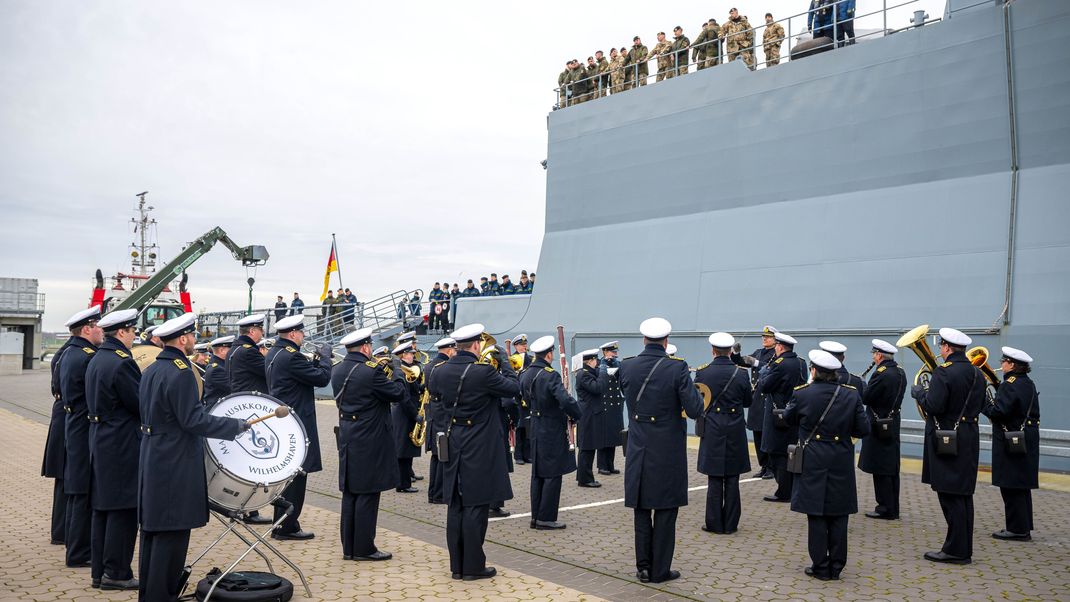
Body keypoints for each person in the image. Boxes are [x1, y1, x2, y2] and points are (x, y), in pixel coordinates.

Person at [136, 313, 252, 601]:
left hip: (153, 454)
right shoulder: (182, 371)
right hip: (175, 458)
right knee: (172, 534)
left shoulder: (152, 369)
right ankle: (162, 595)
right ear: (183, 338)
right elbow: (193, 421)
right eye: (192, 336)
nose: (194, 341)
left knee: (153, 531)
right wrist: (235, 426)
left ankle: (150, 593)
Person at [426, 323, 519, 580]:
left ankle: (457, 566)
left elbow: (436, 397)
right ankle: (474, 566)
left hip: (453, 441)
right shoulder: (483, 372)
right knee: (475, 505)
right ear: (477, 345)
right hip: (478, 445)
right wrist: (506, 363)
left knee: (455, 505)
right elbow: (513, 388)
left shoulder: (439, 371)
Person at [620, 317, 703, 583]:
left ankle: (643, 567)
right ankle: (660, 570)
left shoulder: (627, 366)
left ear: (644, 339)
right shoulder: (677, 368)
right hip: (666, 449)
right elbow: (695, 410)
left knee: (641, 509)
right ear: (666, 341)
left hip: (638, 447)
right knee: (666, 511)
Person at [784, 350, 869, 581]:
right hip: (840, 458)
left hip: (812, 458)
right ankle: (837, 566)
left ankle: (820, 565)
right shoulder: (851, 395)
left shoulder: (803, 394)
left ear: (813, 370)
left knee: (817, 513)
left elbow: (788, 419)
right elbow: (864, 429)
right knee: (839, 513)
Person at [911, 327, 987, 564]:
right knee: (963, 494)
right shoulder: (978, 374)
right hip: (968, 436)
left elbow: (933, 405)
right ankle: (962, 548)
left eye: (941, 347)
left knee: (949, 493)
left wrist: (920, 392)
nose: (940, 352)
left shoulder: (944, 373)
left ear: (946, 347)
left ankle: (954, 550)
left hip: (946, 437)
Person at [333, 328, 406, 561]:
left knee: (351, 491)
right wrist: (397, 371)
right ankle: (364, 548)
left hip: (347, 434)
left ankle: (349, 548)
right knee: (368, 492)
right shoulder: (371, 372)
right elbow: (398, 394)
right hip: (370, 437)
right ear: (365, 347)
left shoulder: (338, 369)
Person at [84, 309, 141, 590]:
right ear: (122, 332)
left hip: (101, 439)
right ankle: (117, 574)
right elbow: (139, 403)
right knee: (123, 510)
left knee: (102, 509)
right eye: (132, 332)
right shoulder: (123, 363)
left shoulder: (97, 358)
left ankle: (99, 572)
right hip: (121, 443)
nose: (134, 337)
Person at [266, 315, 332, 540]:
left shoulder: (275, 353)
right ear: (293, 334)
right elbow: (322, 379)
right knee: (297, 476)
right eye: (301, 333)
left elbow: (301, 378)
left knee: (287, 477)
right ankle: (287, 526)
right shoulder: (292, 357)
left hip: (284, 423)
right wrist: (324, 359)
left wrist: (312, 363)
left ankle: (282, 523)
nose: (303, 337)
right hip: (297, 423)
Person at [57, 306, 103, 567]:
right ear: (87, 329)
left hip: (74, 425)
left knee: (76, 491)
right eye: (97, 326)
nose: (101, 331)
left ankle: (76, 549)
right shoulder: (85, 356)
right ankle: (78, 553)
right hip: (83, 429)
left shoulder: (70, 352)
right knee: (82, 492)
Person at [521, 337, 584, 529]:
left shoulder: (525, 374)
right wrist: (577, 414)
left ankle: (535, 516)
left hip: (535, 427)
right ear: (548, 354)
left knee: (537, 473)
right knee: (552, 474)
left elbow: (522, 397)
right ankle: (546, 518)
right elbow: (565, 400)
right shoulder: (550, 375)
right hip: (551, 428)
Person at [695, 332, 753, 535]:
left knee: (714, 477)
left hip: (712, 426)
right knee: (732, 478)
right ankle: (731, 523)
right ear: (730, 351)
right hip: (735, 426)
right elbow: (748, 401)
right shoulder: (742, 373)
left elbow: (699, 401)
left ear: (713, 350)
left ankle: (713, 523)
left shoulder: (703, 373)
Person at [982, 346, 1040, 541]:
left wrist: (984, 402)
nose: (1001, 364)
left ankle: (1016, 529)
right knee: (1021, 484)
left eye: (1003, 361)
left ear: (1012, 364)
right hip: (1026, 436)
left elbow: (999, 412)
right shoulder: (1027, 383)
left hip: (1012, 439)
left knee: (1011, 484)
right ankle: (1023, 527)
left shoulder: (1010, 384)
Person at [43, 310, 89, 547]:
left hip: (63, 417)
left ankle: (60, 531)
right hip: (68, 420)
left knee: (63, 481)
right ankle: (62, 532)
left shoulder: (65, 352)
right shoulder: (75, 354)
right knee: (65, 480)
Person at [224, 314, 272, 525]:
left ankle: (241, 508)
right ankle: (249, 511)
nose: (261, 333)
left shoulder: (234, 349)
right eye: (260, 330)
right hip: (251, 411)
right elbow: (268, 372)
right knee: (252, 461)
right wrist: (268, 357)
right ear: (252, 331)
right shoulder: (249, 352)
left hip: (239, 406)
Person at [756, 331, 807, 502]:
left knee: (778, 453)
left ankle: (783, 491)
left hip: (777, 414)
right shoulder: (801, 363)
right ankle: (792, 489)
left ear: (779, 346)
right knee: (791, 451)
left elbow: (765, 386)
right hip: (795, 412)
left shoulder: (779, 364)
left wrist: (763, 373)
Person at [858, 339, 906, 520]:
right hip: (892, 422)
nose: (873, 357)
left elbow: (867, 397)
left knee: (880, 467)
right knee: (892, 466)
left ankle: (884, 507)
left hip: (878, 424)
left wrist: (862, 384)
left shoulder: (881, 374)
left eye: (874, 354)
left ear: (879, 355)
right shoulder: (900, 372)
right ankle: (893, 506)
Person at [424, 338, 457, 504]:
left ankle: (433, 493)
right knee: (442, 453)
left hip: (433, 411)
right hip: (443, 412)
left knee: (436, 456)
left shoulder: (429, 365)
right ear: (450, 350)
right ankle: (438, 494)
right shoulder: (444, 367)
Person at [391, 341, 424, 493]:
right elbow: (404, 397)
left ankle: (404, 482)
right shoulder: (402, 372)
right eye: (411, 353)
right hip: (404, 414)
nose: (413, 355)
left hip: (406, 413)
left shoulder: (409, 370)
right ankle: (402, 484)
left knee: (406, 450)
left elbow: (413, 391)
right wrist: (415, 414)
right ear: (404, 355)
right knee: (403, 451)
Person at [747, 326, 779, 479]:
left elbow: (770, 367)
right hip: (756, 399)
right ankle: (763, 466)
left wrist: (756, 363)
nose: (764, 339)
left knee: (767, 434)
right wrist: (735, 354)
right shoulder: (759, 352)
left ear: (775, 339)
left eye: (768, 337)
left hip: (767, 399)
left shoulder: (776, 354)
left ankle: (772, 467)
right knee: (757, 434)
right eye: (763, 336)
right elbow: (744, 362)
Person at [575, 349, 609, 488]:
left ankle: (585, 477)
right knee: (587, 447)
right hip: (588, 415)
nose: (598, 363)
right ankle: (585, 479)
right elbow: (598, 387)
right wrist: (603, 372)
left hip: (591, 413)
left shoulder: (588, 372)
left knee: (589, 446)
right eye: (596, 360)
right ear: (590, 361)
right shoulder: (584, 374)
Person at [597, 341, 625, 474]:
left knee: (614, 435)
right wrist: (604, 365)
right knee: (604, 436)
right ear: (605, 352)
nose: (615, 355)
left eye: (615, 352)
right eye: (612, 352)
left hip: (616, 405)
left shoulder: (617, 364)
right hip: (605, 405)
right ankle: (602, 465)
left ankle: (610, 464)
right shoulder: (599, 364)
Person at [510, 335, 534, 464]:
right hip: (518, 397)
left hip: (529, 396)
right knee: (520, 426)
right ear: (515, 346)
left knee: (528, 426)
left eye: (525, 344)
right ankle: (518, 455)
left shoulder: (531, 359)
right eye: (521, 344)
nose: (524, 346)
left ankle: (528, 454)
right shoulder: (511, 359)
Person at [201, 336, 234, 406]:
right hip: (218, 409)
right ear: (222, 350)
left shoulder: (222, 364)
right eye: (230, 349)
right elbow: (233, 387)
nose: (233, 351)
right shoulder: (216, 369)